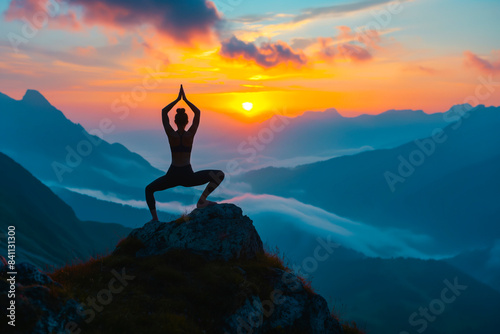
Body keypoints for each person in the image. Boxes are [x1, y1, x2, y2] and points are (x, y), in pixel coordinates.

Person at [145, 85, 225, 222]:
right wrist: (186, 100)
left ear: (175, 122)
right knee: (219, 174)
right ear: (187, 121)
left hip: (173, 175)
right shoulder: (190, 135)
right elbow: (197, 113)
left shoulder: (171, 135)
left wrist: (177, 100)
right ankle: (202, 201)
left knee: (149, 189)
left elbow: (164, 112)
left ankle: (155, 220)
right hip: (188, 176)